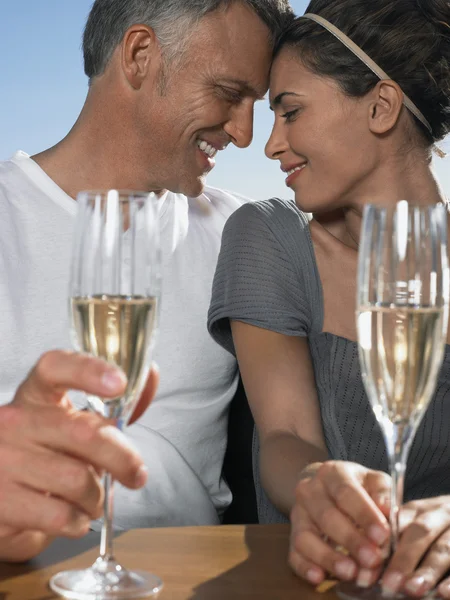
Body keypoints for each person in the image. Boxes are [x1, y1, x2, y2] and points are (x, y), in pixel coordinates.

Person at [0, 0, 293, 562]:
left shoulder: (243, 236)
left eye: (255, 103)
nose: (244, 132)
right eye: (231, 93)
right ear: (139, 56)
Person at [208, 0, 450, 597]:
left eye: (289, 112)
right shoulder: (268, 237)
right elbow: (286, 433)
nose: (271, 146)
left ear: (381, 106)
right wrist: (316, 483)